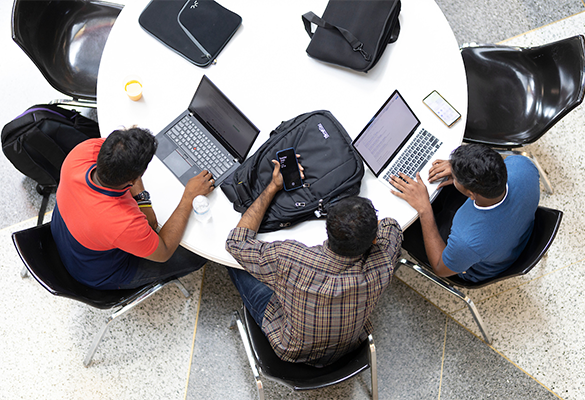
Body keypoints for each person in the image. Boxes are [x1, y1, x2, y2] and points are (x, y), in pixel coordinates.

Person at [225, 157, 403, 367]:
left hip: (290, 348)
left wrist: (273, 186)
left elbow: (236, 242)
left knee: (232, 262)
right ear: (372, 240)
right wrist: (367, 228)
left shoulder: (290, 257)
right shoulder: (384, 263)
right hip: (348, 346)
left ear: (327, 229)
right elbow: (391, 226)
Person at [51, 127, 215, 290]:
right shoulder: (122, 222)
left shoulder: (83, 151)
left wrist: (143, 201)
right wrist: (189, 197)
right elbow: (164, 250)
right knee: (196, 256)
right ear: (136, 177)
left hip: (67, 238)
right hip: (98, 272)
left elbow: (122, 161)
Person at [389, 144, 539, 283]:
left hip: (471, 263)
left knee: (402, 227)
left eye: (456, 177)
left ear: (471, 193)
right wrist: (459, 166)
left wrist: (424, 210)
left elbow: (439, 267)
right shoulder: (523, 165)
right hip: (509, 233)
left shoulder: (467, 242)